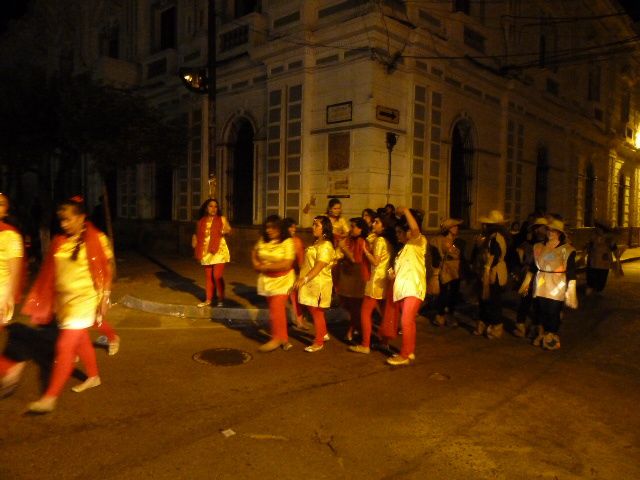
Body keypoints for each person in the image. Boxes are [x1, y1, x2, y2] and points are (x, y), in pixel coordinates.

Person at [22, 196, 114, 413]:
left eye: (68, 219)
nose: (64, 224)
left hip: (85, 300)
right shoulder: (59, 240)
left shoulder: (97, 238)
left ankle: (49, 397)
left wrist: (104, 298)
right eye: (61, 220)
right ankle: (93, 377)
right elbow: (51, 273)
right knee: (81, 340)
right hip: (66, 303)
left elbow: (106, 269)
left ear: (82, 217)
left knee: (65, 346)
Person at [518, 218, 577, 350]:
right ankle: (541, 333)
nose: (551, 233)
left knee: (553, 311)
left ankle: (551, 336)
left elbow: (571, 272)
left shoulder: (567, 250)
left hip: (557, 285)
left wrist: (571, 291)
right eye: (549, 230)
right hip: (541, 284)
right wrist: (527, 283)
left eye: (554, 231)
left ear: (560, 233)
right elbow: (534, 266)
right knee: (540, 309)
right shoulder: (538, 247)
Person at [386, 207, 427, 366]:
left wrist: (405, 211)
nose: (397, 235)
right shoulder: (403, 250)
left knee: (406, 320)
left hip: (414, 288)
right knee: (408, 322)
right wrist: (392, 275)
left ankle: (404, 354)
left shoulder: (418, 242)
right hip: (402, 290)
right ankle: (409, 351)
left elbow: (415, 229)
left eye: (400, 232)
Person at [349, 214, 392, 354]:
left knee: (365, 312)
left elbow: (375, 261)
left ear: (383, 226)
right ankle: (384, 343)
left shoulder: (380, 240)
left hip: (375, 281)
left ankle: (365, 344)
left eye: (377, 222)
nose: (373, 224)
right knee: (385, 313)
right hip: (384, 281)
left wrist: (365, 250)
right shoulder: (388, 241)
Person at [252, 216, 296, 352]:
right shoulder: (263, 240)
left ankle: (276, 339)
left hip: (283, 280)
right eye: (267, 227)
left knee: (277, 307)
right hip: (267, 280)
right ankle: (284, 339)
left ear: (280, 228)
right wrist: (256, 263)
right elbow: (254, 252)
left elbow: (286, 263)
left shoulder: (287, 242)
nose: (269, 230)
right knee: (275, 310)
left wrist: (265, 267)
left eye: (273, 227)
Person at [293, 216, 335, 353]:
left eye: (316, 225)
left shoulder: (326, 245)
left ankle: (319, 342)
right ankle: (323, 333)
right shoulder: (317, 242)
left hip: (318, 283)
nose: (313, 227)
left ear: (324, 229)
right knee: (315, 311)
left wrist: (304, 279)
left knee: (316, 312)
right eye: (313, 224)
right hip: (311, 282)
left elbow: (319, 266)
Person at [0, 193, 26, 396]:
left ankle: (11, 366)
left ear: (6, 210)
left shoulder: (10, 235)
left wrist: (8, 297)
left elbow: (15, 269)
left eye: (0, 204)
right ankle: (10, 366)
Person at [472, 210, 509, 339]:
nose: (483, 226)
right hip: (488, 271)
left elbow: (494, 256)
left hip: (494, 273)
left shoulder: (495, 237)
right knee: (486, 300)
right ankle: (485, 323)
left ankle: (495, 327)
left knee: (493, 301)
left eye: (485, 224)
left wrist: (487, 269)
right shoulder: (491, 237)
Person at [192, 198, 231, 307]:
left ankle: (221, 298)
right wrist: (194, 240)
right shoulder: (201, 221)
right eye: (211, 206)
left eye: (215, 206)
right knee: (209, 276)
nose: (213, 208)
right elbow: (197, 234)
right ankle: (208, 299)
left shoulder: (221, 219)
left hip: (219, 249)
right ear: (206, 208)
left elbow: (228, 229)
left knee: (217, 275)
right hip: (206, 250)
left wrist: (225, 231)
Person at [513, 217, 548, 338]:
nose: (539, 231)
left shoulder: (550, 246)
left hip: (542, 277)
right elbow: (520, 261)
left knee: (539, 302)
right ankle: (520, 325)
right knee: (525, 301)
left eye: (542, 228)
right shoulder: (526, 245)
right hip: (529, 276)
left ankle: (536, 327)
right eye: (537, 228)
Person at [337, 217, 370, 342]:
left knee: (356, 307)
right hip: (349, 276)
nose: (351, 229)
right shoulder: (351, 240)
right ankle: (357, 329)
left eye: (354, 227)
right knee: (350, 305)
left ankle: (353, 331)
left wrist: (343, 248)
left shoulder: (362, 241)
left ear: (361, 229)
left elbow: (355, 259)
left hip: (358, 277)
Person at [429, 218, 465, 328]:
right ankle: (440, 315)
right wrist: (436, 273)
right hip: (444, 269)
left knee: (454, 292)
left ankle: (450, 314)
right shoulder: (437, 240)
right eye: (454, 226)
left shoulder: (459, 241)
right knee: (443, 292)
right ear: (448, 229)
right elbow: (436, 258)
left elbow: (460, 255)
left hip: (456, 270)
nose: (456, 228)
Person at [283, 217, 309, 330]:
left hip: (292, 273)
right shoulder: (280, 241)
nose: (293, 229)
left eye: (294, 227)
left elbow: (301, 261)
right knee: (282, 298)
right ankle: (285, 321)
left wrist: (300, 275)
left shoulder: (296, 241)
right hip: (280, 273)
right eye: (291, 227)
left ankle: (299, 321)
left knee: (295, 297)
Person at [584, 221, 622, 295]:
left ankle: (599, 289)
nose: (597, 230)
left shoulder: (610, 239)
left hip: (604, 262)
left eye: (598, 228)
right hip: (593, 261)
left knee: (602, 277)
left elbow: (614, 249)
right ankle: (590, 287)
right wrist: (584, 254)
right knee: (591, 275)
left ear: (603, 229)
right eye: (596, 228)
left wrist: (617, 259)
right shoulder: (593, 237)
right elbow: (588, 247)